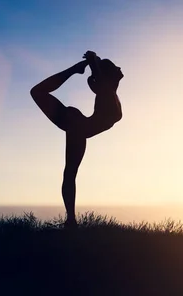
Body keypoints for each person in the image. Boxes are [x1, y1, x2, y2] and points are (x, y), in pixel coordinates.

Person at [30, 50, 124, 228]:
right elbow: (99, 80)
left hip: (79, 127)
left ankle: (71, 220)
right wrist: (92, 61)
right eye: (115, 67)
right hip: (77, 125)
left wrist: (94, 62)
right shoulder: (106, 92)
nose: (119, 68)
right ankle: (71, 220)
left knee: (70, 173)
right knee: (37, 92)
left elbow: (99, 80)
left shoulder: (110, 94)